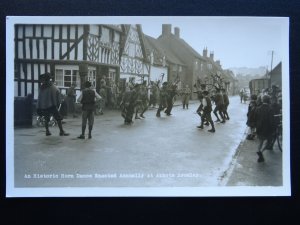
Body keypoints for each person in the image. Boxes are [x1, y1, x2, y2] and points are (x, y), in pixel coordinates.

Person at [255, 95, 275, 162]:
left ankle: (258, 151)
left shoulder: (258, 108)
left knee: (260, 142)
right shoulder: (270, 109)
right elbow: (271, 121)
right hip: (267, 129)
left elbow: (256, 119)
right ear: (268, 100)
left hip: (259, 128)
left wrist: (256, 127)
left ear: (262, 100)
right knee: (269, 142)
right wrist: (273, 128)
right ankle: (261, 152)